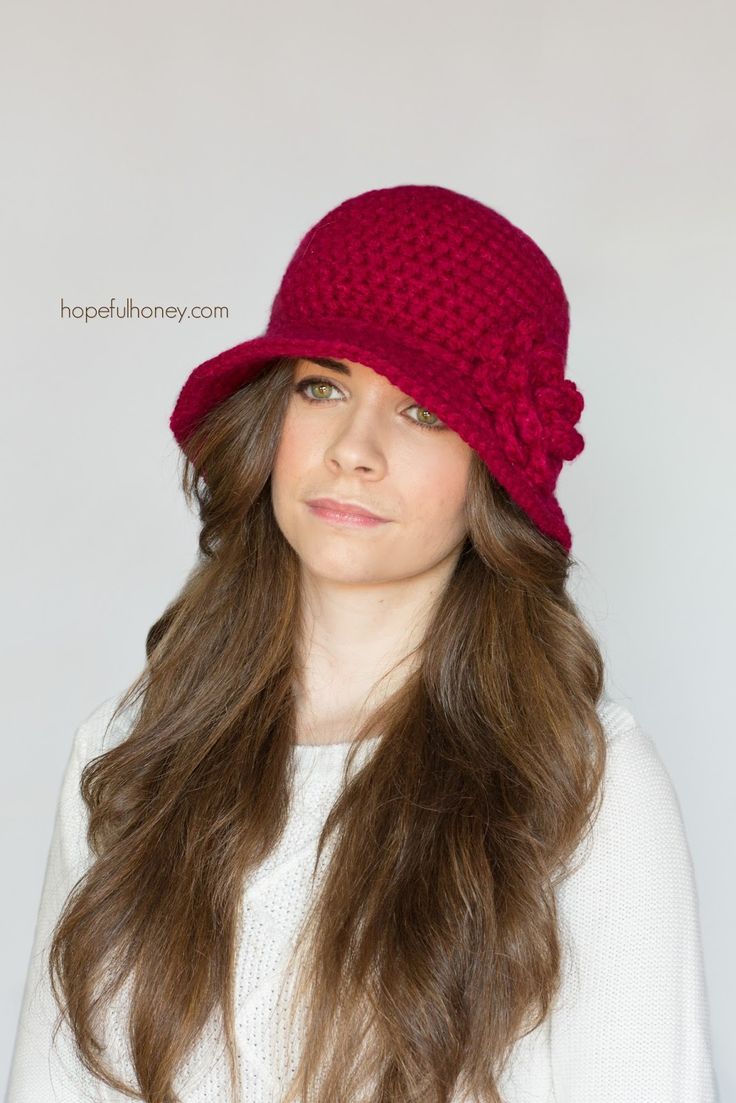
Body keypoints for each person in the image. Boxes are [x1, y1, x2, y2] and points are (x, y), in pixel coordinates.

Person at [5, 185, 718, 1103]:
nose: (354, 447)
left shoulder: (583, 781)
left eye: (423, 409)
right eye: (322, 386)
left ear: (491, 470)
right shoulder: (128, 752)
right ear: (273, 421)